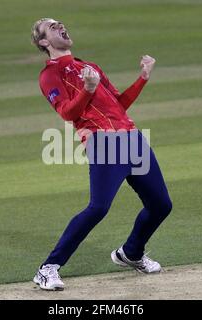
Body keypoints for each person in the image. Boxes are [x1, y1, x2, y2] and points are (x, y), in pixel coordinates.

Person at [31, 18, 173, 291]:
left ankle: (131, 253)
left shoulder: (90, 67)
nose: (60, 25)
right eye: (51, 26)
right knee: (98, 208)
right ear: (44, 42)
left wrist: (142, 78)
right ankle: (47, 268)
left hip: (133, 140)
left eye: (59, 22)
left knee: (161, 205)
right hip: (104, 143)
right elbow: (67, 113)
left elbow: (119, 104)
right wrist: (88, 89)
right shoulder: (50, 75)